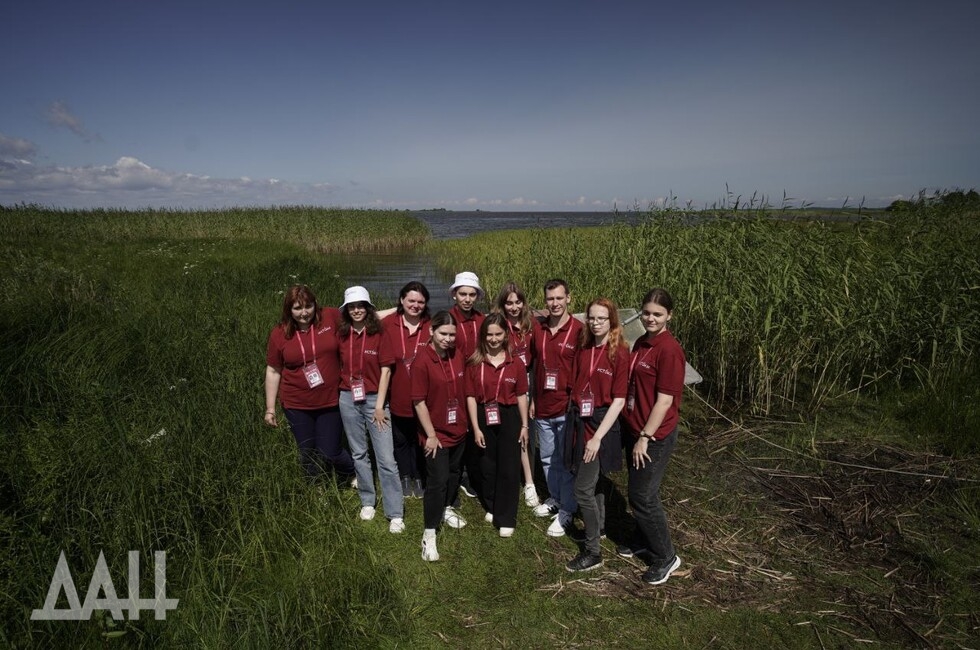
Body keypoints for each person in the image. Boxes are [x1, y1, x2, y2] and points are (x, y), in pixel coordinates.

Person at [619, 288, 686, 585]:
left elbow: (665, 400)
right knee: (638, 490)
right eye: (646, 313)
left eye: (657, 314)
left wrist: (645, 436)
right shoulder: (641, 343)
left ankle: (666, 556)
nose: (650, 318)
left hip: (654, 435)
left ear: (669, 316)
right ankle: (644, 537)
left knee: (642, 496)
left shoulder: (669, 350)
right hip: (635, 428)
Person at [264, 284, 355, 484]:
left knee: (330, 451)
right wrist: (270, 408)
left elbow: (361, 317)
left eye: (308, 306)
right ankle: (316, 488)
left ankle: (351, 473)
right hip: (296, 403)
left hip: (330, 400)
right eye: (297, 308)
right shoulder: (279, 334)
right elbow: (273, 371)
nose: (304, 313)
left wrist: (402, 311)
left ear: (316, 304)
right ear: (289, 310)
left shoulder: (330, 317)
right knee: (307, 450)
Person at [564, 298, 629, 572]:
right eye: (591, 318)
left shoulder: (619, 353)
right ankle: (599, 528)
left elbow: (619, 400)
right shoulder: (584, 347)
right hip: (581, 418)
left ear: (611, 320)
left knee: (582, 489)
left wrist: (597, 438)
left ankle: (593, 552)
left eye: (602, 318)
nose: (595, 323)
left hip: (601, 424)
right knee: (595, 481)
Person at [337, 286, 404, 534]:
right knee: (358, 454)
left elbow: (386, 370)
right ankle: (367, 500)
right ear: (346, 309)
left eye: (361, 306)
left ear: (368, 309)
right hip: (347, 397)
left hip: (375, 399)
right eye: (352, 306)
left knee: (386, 458)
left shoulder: (379, 333)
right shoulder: (341, 334)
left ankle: (395, 511)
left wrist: (379, 406)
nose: (356, 310)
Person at [465, 313, 530, 538]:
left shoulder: (516, 363)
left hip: (508, 415)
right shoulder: (474, 363)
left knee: (509, 467)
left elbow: (522, 395)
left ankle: (506, 516)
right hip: (484, 414)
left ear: (505, 335)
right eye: (489, 334)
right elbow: (471, 397)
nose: (493, 339)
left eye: (498, 334)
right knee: (487, 464)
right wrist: (475, 427)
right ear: (483, 336)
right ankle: (492, 504)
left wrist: (524, 425)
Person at [412, 311, 469, 561]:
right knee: (437, 480)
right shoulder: (422, 360)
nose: (448, 339)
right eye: (443, 334)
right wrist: (431, 435)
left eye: (452, 335)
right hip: (435, 434)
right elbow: (418, 402)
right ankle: (429, 534)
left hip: (459, 429)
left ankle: (447, 507)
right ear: (431, 332)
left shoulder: (457, 355)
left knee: (455, 472)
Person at [530, 279, 582, 537]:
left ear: (569, 298)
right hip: (542, 407)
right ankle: (555, 498)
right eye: (550, 299)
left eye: (560, 298)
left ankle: (568, 510)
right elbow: (533, 366)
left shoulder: (579, 331)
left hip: (566, 408)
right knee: (547, 458)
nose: (555, 303)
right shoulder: (538, 329)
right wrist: (530, 400)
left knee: (566, 461)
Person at [379, 281, 431, 499]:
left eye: (420, 302)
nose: (415, 305)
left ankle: (419, 474)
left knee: (419, 439)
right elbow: (364, 314)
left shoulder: (430, 325)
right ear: (401, 300)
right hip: (398, 394)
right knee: (401, 440)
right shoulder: (389, 324)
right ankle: (405, 475)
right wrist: (395, 308)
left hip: (424, 398)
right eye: (410, 300)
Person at [493, 282, 541, 509]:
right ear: (503, 304)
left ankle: (529, 481)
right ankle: (508, 475)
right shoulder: (498, 325)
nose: (513, 307)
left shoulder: (532, 325)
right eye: (509, 302)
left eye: (517, 302)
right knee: (509, 431)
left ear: (523, 302)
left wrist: (535, 396)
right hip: (504, 382)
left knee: (526, 432)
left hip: (527, 383)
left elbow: (540, 358)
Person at [448, 271, 486, 501]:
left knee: (476, 426)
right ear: (455, 295)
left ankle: (473, 471)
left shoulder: (481, 320)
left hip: (479, 383)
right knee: (458, 428)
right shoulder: (447, 319)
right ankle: (459, 473)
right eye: (463, 294)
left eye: (472, 294)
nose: (467, 299)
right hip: (456, 383)